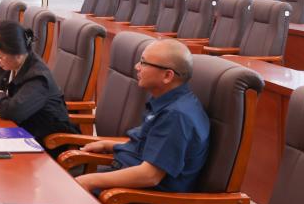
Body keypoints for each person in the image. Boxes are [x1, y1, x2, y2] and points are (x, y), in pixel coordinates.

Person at [74, 38, 210, 194]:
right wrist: (108, 145)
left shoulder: (176, 116)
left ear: (167, 75)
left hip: (137, 196)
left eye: (144, 63)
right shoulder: (166, 101)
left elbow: (150, 176)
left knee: (64, 188)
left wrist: (88, 181)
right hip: (123, 175)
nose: (137, 67)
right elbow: (146, 144)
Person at [0, 21, 77, 144]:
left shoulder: (38, 77)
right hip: (19, 132)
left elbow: (14, 112)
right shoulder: (11, 64)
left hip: (46, 142)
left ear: (17, 53)